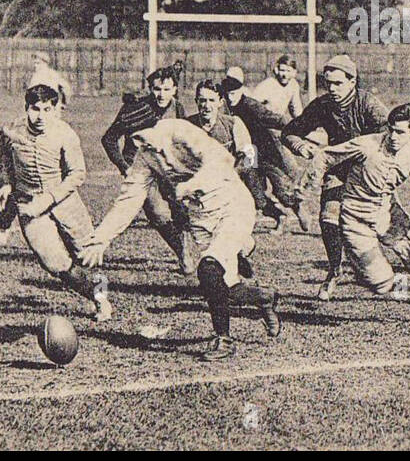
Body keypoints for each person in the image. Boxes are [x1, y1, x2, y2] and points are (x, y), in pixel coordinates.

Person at [82, 117, 281, 362]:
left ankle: (224, 339)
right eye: (142, 143)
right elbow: (129, 200)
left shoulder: (181, 131)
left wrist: (191, 185)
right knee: (224, 287)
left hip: (232, 206)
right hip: (200, 216)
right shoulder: (145, 156)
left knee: (208, 269)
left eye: (151, 142)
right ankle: (264, 297)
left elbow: (223, 161)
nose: (155, 152)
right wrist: (102, 237)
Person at [317, 104, 410, 324]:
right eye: (390, 129)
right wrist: (303, 186)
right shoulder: (367, 144)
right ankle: (360, 264)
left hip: (387, 211)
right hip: (355, 217)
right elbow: (326, 156)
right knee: (382, 285)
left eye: (400, 132)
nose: (392, 136)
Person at [282, 54, 401, 301]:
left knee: (385, 228)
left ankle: (403, 273)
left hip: (369, 173)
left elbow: (391, 135)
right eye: (329, 84)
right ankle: (334, 271)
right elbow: (290, 132)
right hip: (337, 169)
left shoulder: (368, 103)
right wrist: (301, 147)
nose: (332, 89)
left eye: (338, 83)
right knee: (328, 219)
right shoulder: (323, 105)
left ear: (352, 81)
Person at [0, 82, 112, 320]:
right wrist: (7, 183)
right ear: (26, 108)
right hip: (30, 206)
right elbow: (4, 158)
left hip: (65, 201)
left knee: (89, 256)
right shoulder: (11, 130)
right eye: (35, 109)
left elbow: (77, 173)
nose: (40, 116)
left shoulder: (65, 134)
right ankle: (98, 299)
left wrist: (49, 198)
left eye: (47, 110)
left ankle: (103, 294)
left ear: (56, 109)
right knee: (55, 263)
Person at [100, 66, 193, 270]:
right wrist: (124, 167)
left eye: (167, 89)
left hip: (167, 166)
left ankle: (190, 246)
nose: (161, 94)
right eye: (157, 89)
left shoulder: (177, 109)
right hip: (141, 169)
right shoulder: (135, 108)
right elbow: (109, 138)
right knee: (157, 213)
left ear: (175, 89)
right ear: (150, 88)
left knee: (181, 208)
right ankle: (182, 253)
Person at [221, 66, 308, 233]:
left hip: (267, 148)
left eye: (234, 92)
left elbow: (274, 118)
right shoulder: (226, 105)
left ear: (241, 90)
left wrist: (299, 127)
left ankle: (297, 207)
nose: (230, 97)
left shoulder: (251, 105)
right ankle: (279, 216)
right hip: (249, 151)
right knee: (254, 191)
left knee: (280, 187)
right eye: (228, 93)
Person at [249, 54, 303, 119]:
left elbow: (296, 110)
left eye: (288, 71)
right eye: (282, 70)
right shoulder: (268, 84)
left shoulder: (293, 85)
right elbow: (251, 104)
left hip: (278, 122)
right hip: (264, 122)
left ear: (294, 73)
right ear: (277, 70)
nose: (285, 75)